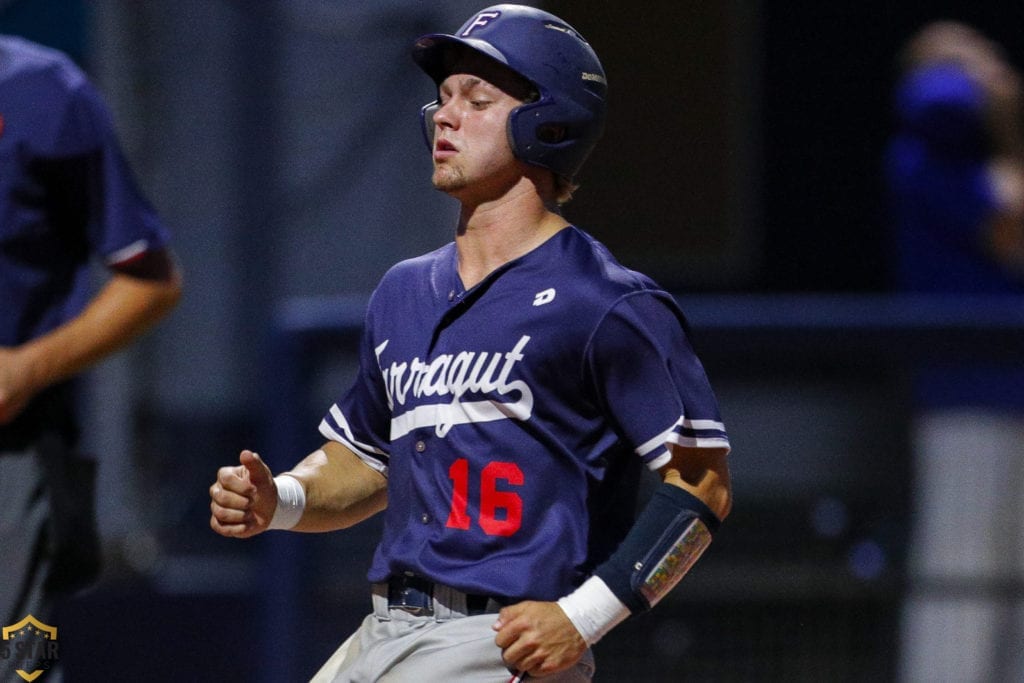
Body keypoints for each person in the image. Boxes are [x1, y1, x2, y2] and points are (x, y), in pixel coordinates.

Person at [209, 5, 731, 681]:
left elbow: (702, 483)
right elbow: (365, 460)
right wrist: (278, 499)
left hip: (501, 638)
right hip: (386, 628)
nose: (445, 116)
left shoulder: (603, 299)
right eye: (443, 97)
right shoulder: (403, 290)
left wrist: (585, 614)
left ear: (548, 121)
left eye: (477, 99)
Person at [0, 33, 182, 679]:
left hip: (16, 459)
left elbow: (151, 279)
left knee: (21, 667)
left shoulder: (42, 90)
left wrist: (28, 367)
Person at [885, 20, 1024, 683]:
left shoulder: (981, 157)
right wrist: (990, 95)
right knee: (959, 574)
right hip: (965, 393)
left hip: (1010, 387)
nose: (986, 69)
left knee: (1011, 579)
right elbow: (1011, 228)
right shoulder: (926, 149)